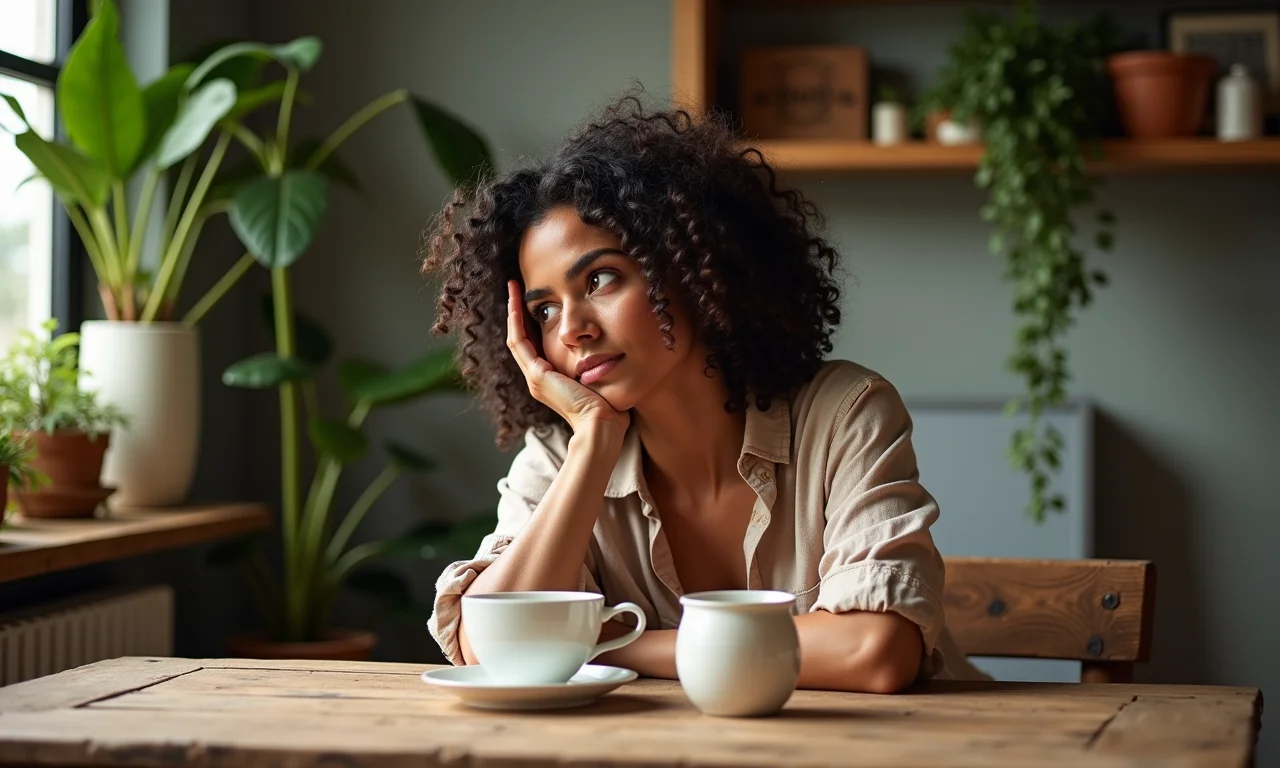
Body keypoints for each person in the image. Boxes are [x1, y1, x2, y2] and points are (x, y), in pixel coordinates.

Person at [420, 93, 986, 692]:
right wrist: (595, 444)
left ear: (692, 267)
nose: (572, 330)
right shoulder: (563, 456)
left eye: (601, 278)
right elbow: (490, 648)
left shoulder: (844, 413)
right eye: (544, 310)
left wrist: (608, 643)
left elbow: (874, 651)